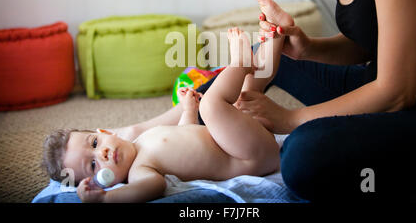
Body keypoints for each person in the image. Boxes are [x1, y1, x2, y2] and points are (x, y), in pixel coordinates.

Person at [113, 0, 416, 202]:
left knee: (301, 155)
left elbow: (397, 91)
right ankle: (142, 135)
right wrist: (308, 48)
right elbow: (370, 42)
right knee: (269, 55)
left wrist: (289, 119)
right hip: (390, 84)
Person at [42, 20, 290, 202]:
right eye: (93, 165)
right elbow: (152, 187)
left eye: (95, 142)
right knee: (212, 105)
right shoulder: (141, 169)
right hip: (246, 157)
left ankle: (277, 34)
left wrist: (188, 110)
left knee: (245, 97)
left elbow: (186, 134)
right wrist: (105, 200)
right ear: (101, 182)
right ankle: (240, 64)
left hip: (240, 142)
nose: (103, 152)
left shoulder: (141, 142)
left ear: (106, 131)